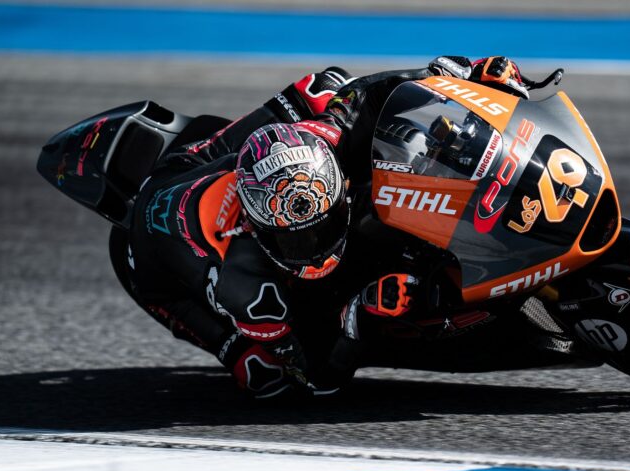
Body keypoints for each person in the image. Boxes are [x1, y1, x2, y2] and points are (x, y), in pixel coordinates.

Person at [110, 56, 527, 398]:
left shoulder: (320, 140)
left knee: (324, 88)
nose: (315, 246)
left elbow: (367, 94)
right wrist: (358, 315)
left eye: (321, 227)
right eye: (298, 239)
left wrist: (453, 76)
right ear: (258, 229)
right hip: (149, 269)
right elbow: (317, 376)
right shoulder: (248, 289)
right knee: (265, 375)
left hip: (194, 164)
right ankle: (234, 349)